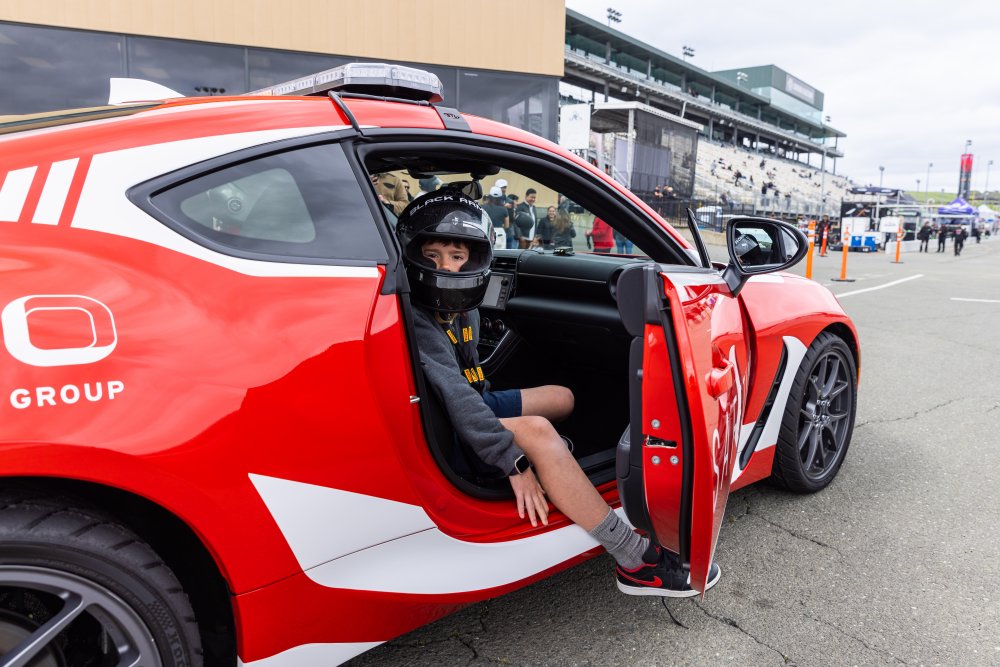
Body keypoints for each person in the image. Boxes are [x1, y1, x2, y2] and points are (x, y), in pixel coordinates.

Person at [397, 189, 720, 597]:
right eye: (432, 256)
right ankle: (636, 560)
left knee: (562, 397)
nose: (446, 267)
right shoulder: (420, 320)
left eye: (457, 256)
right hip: (448, 422)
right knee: (538, 431)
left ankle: (553, 463)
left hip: (471, 404)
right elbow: (457, 400)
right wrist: (513, 460)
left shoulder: (464, 310)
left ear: (475, 259)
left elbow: (470, 382)